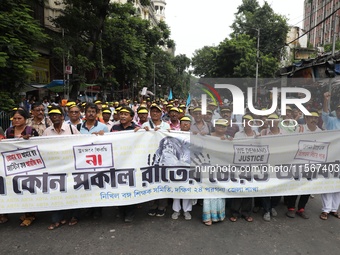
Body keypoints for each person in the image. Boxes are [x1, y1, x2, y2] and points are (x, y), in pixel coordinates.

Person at [43, 106, 81, 229]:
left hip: (71, 166)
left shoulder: (71, 128)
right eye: (52, 115)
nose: (54, 117)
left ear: (62, 117)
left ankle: (74, 216)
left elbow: (82, 143)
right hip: (54, 167)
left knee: (73, 190)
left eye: (57, 115)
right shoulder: (47, 131)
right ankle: (56, 219)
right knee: (55, 192)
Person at [0, 109, 39, 226]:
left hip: (29, 164)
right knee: (10, 188)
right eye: (14, 119)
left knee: (26, 189)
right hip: (12, 165)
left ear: (25, 119)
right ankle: (6, 213)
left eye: (19, 118)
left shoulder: (31, 130)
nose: (16, 121)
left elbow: (39, 146)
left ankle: (29, 215)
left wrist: (29, 140)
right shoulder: (8, 131)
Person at [285, 109, 322, 219]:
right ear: (306, 118)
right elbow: (288, 139)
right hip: (298, 163)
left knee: (307, 187)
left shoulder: (321, 132)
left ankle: (301, 209)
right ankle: (291, 208)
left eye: (316, 118)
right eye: (311, 117)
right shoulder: (299, 128)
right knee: (295, 185)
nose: (313, 120)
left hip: (312, 165)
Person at [139, 103, 170, 216]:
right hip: (149, 157)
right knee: (151, 180)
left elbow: (170, 137)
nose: (155, 113)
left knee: (162, 180)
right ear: (150, 113)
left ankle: (162, 206)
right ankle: (152, 205)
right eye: (153, 111)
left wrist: (164, 132)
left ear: (161, 113)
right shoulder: (145, 125)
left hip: (163, 158)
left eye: (157, 111)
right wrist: (142, 131)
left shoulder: (166, 125)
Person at [79, 103, 109, 219]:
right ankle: (88, 208)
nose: (91, 114)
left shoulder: (103, 127)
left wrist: (102, 137)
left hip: (98, 161)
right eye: (88, 111)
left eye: (93, 111)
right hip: (83, 161)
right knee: (86, 184)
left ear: (97, 114)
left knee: (97, 184)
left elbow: (110, 143)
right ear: (85, 113)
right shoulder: (78, 127)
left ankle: (98, 209)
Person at [110, 106, 139, 222]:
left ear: (131, 117)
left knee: (130, 187)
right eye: (121, 114)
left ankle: (129, 213)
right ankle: (120, 210)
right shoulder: (114, 128)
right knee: (120, 186)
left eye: (125, 114)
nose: (122, 116)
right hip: (118, 162)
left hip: (131, 163)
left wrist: (142, 131)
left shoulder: (136, 128)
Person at [230, 114, 256, 222]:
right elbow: (233, 148)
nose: (246, 123)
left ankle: (246, 212)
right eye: (244, 121)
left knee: (248, 190)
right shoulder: (238, 134)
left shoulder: (257, 135)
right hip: (239, 166)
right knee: (237, 189)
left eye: (249, 121)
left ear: (252, 123)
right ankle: (235, 213)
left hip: (252, 167)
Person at [202, 119, 228, 226]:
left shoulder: (228, 139)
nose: (220, 128)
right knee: (208, 192)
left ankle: (219, 215)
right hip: (208, 166)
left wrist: (226, 142)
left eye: (223, 127)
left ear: (226, 128)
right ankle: (208, 217)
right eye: (218, 126)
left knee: (220, 191)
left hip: (221, 168)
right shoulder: (208, 136)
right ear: (215, 127)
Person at [259, 113, 283, 221]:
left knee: (277, 188)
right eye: (270, 120)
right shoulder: (263, 132)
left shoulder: (285, 134)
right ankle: (266, 210)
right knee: (265, 188)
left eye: (275, 119)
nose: (272, 122)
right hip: (265, 164)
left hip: (279, 165)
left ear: (278, 121)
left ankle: (273, 206)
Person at [319, 92, 340, 220]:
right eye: (338, 110)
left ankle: (334, 209)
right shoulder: (331, 121)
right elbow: (325, 114)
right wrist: (325, 100)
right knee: (328, 181)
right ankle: (325, 209)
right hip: (330, 156)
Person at [172, 116, 193, 220]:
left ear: (190, 125)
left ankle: (187, 210)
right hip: (176, 166)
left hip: (189, 166)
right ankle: (176, 210)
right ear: (180, 124)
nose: (185, 124)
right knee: (176, 188)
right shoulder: (173, 134)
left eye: (187, 122)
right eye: (183, 122)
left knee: (187, 189)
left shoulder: (194, 135)